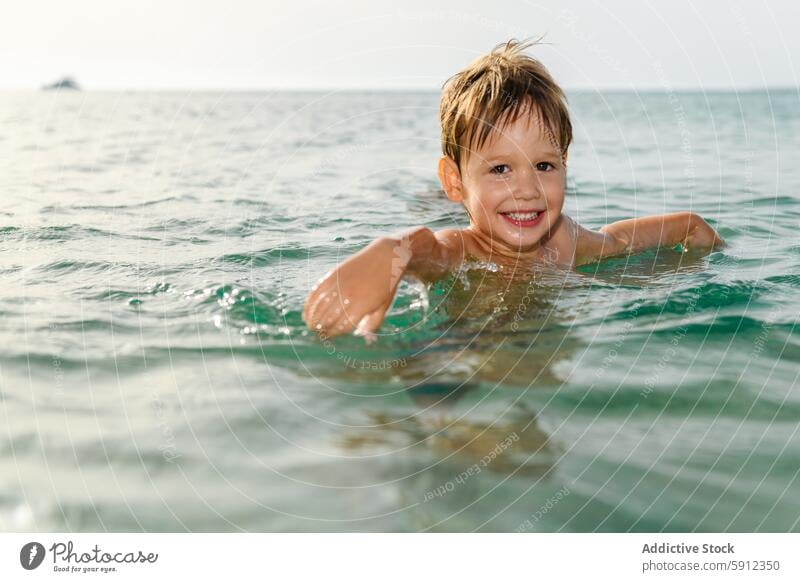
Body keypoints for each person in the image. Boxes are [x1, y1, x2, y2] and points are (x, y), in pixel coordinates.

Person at [302, 39, 724, 340]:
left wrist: (701, 235)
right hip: (453, 354)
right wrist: (386, 253)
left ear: (565, 164)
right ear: (454, 183)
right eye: (500, 168)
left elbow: (638, 237)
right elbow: (422, 248)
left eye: (544, 165)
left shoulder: (566, 241)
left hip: (541, 355)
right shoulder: (462, 251)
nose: (528, 188)